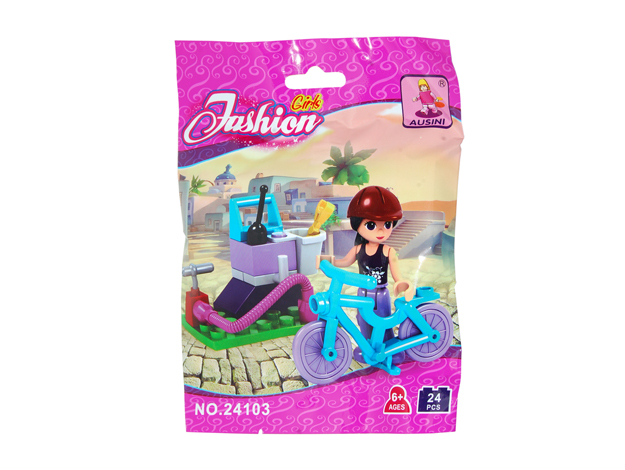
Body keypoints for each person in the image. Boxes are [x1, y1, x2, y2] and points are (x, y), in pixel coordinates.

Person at [318, 186, 413, 364]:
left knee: (383, 322)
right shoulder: (358, 249)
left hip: (381, 293)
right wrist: (326, 261)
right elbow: (344, 262)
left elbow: (397, 274)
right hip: (363, 293)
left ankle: (389, 348)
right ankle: (366, 347)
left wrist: (401, 283)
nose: (381, 231)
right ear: (358, 224)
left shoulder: (388, 251)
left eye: (387, 225)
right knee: (363, 321)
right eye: (371, 225)